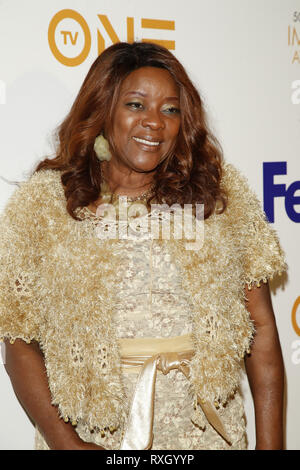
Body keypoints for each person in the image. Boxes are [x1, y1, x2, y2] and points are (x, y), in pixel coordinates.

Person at [0, 41, 286, 450]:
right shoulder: (44, 205)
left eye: (170, 109)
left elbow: (262, 335)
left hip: (209, 436)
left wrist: (270, 446)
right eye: (136, 105)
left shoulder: (219, 197)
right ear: (103, 110)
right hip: (97, 438)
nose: (155, 122)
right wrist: (68, 445)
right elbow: (17, 342)